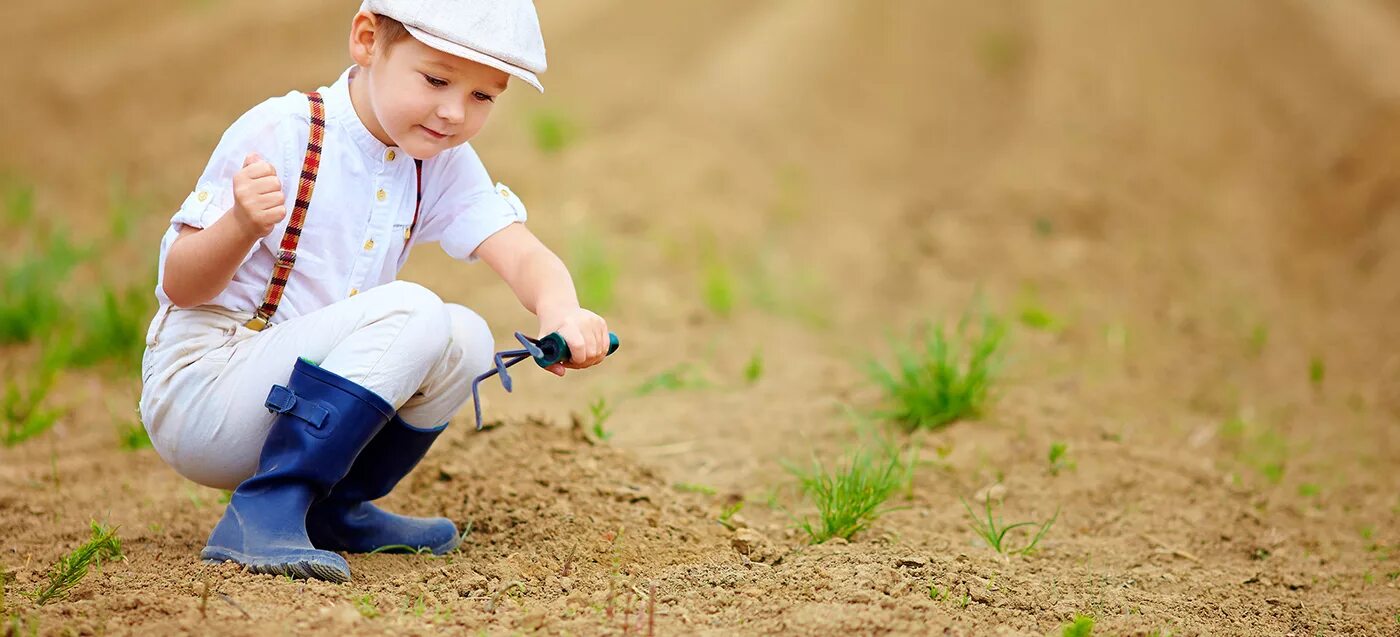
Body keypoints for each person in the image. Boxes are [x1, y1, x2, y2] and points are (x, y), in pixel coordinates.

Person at [138, 0, 609, 583]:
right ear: (366, 40)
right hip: (206, 387)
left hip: (294, 393)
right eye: (435, 79)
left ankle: (332, 511)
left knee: (465, 337)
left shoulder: (435, 161)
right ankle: (263, 511)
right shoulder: (285, 131)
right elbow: (180, 288)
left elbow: (521, 252)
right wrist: (239, 225)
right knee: (415, 310)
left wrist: (561, 309)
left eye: (483, 96)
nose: (452, 112)